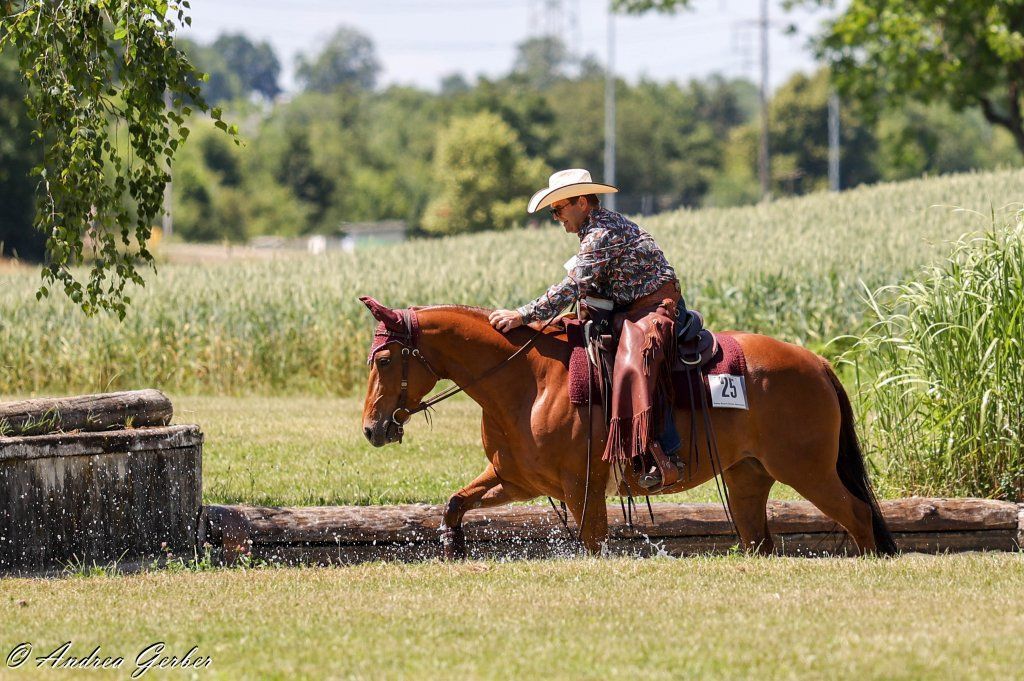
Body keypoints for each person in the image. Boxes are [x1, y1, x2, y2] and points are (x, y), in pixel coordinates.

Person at [489, 168, 683, 488]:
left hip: (654, 305)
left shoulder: (601, 233)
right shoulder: (591, 230)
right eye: (553, 211)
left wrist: (523, 315)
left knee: (634, 361)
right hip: (624, 308)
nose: (556, 217)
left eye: (558, 209)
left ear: (581, 202)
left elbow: (573, 286)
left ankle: (663, 453)